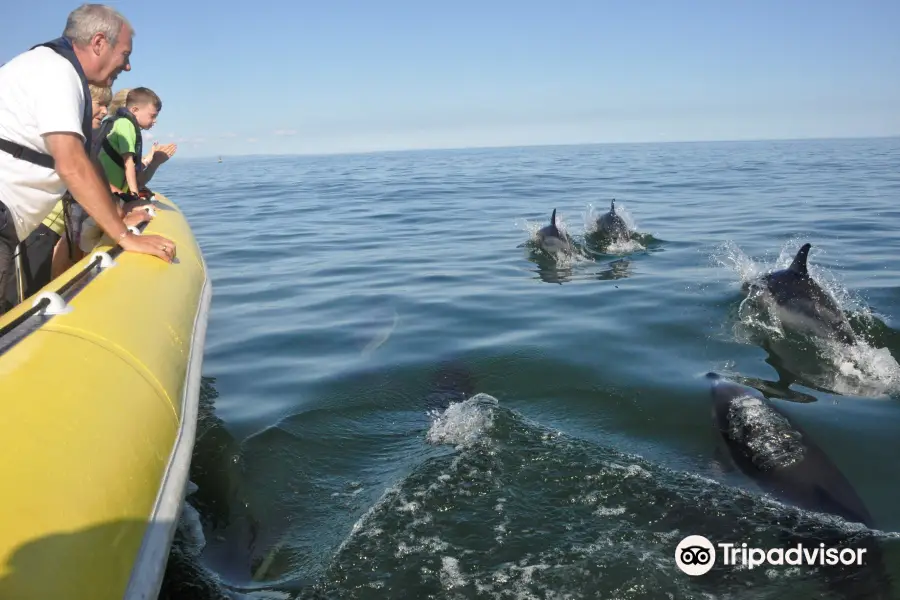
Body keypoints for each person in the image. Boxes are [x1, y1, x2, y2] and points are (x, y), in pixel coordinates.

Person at [0, 3, 176, 316]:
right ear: (98, 43)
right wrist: (124, 237)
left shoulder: (56, 69)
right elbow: (72, 165)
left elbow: (86, 161)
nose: (128, 66)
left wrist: (117, 213)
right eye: (125, 54)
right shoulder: (57, 72)